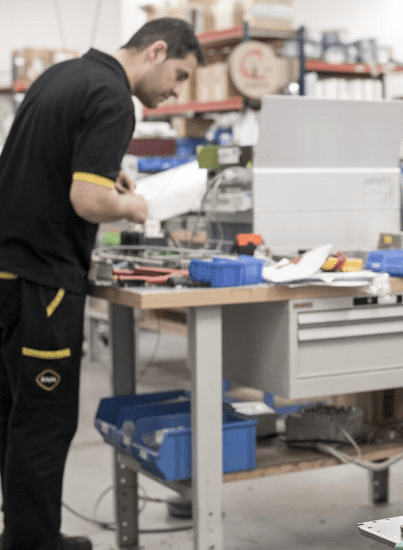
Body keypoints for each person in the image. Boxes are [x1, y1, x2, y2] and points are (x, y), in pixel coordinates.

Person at [0, 18, 204, 550]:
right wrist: (135, 205)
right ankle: (33, 543)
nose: (176, 91)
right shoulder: (115, 97)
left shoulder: (62, 76)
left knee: (15, 414)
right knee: (43, 423)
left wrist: (104, 172)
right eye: (179, 75)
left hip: (8, 271)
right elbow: (87, 202)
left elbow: (50, 163)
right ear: (156, 50)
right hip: (43, 282)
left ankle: (26, 533)